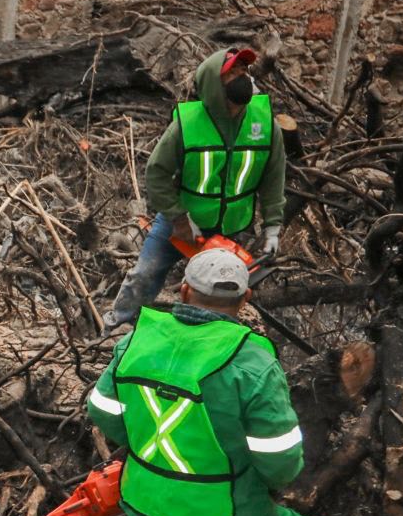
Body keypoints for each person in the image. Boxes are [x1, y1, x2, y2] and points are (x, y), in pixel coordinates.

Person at [87, 249, 357, 516]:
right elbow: (281, 462)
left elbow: (102, 410)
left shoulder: (137, 338)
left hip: (147, 498)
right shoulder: (251, 361)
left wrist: (146, 450)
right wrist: (262, 487)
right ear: (245, 298)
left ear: (185, 290)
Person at [104, 47, 287, 331]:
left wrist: (273, 226)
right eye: (234, 73)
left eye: (244, 71)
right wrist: (178, 218)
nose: (243, 77)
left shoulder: (263, 124)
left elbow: (274, 174)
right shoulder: (187, 125)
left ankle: (210, 338)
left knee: (222, 291)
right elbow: (157, 172)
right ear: (215, 84)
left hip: (230, 226)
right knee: (145, 274)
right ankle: (116, 328)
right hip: (181, 222)